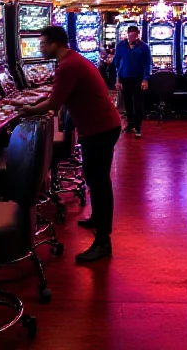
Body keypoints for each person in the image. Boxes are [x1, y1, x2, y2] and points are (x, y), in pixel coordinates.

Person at [16, 25, 121, 263]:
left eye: (43, 44)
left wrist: (27, 109)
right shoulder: (72, 61)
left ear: (55, 44)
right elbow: (58, 96)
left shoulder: (69, 66)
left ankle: (103, 241)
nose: (40, 49)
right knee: (94, 178)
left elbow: (54, 103)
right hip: (100, 126)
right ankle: (97, 220)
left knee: (100, 183)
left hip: (100, 128)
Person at [114, 25, 151, 138]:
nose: (132, 37)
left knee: (138, 103)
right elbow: (117, 63)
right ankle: (130, 124)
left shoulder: (144, 47)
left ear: (137, 35)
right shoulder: (121, 45)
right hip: (125, 77)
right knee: (127, 102)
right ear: (127, 34)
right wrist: (118, 80)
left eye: (134, 35)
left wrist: (145, 79)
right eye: (130, 34)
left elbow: (147, 64)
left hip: (138, 78)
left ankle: (138, 127)